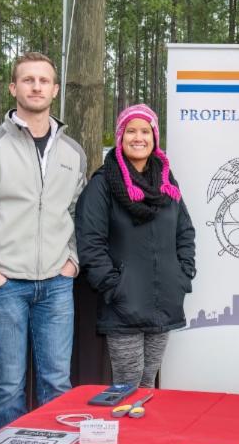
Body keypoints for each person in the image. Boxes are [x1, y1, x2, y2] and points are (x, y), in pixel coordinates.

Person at [0, 52, 87, 428]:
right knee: (9, 387)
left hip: (56, 284)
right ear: (13, 88)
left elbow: (78, 212)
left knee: (57, 383)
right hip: (5, 285)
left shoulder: (73, 152)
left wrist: (72, 261)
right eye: (28, 80)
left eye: (44, 81)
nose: (36, 87)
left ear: (55, 90)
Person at [76, 104, 195, 387]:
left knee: (148, 383)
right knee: (127, 385)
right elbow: (90, 242)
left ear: (154, 137)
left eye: (145, 131)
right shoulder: (103, 184)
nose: (138, 138)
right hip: (123, 304)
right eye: (131, 131)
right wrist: (113, 286)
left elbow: (185, 230)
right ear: (120, 137)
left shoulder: (167, 182)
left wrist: (182, 274)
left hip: (164, 300)